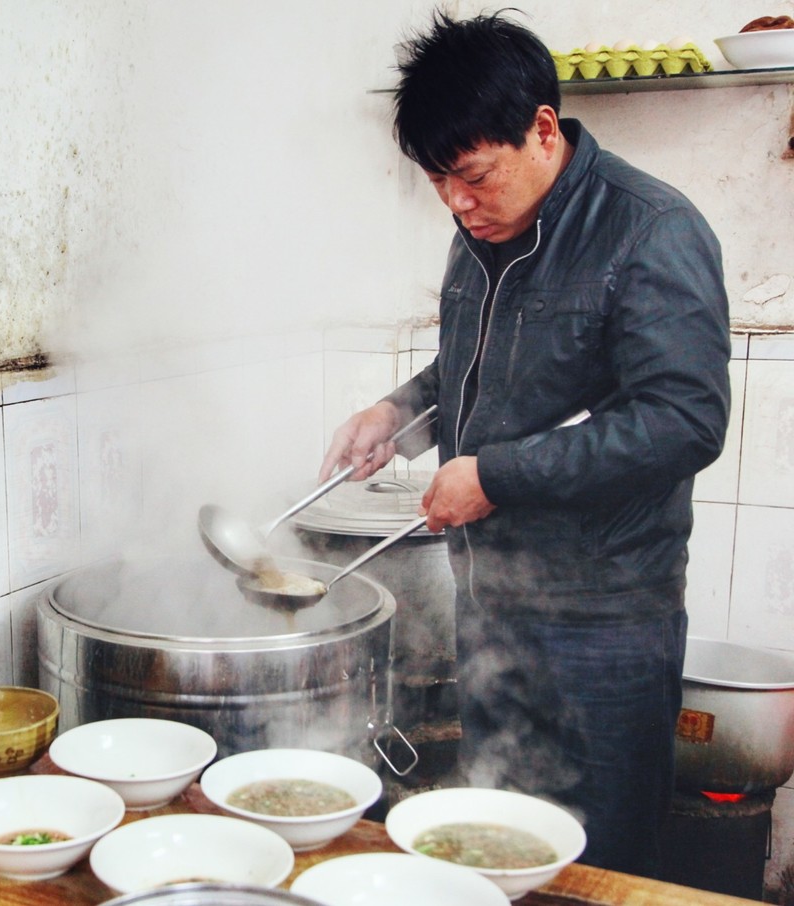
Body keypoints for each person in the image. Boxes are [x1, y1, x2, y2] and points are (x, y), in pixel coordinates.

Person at [318, 10, 731, 878]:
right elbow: (465, 374)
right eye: (438, 182)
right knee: (498, 849)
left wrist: (496, 476)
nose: (457, 203)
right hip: (491, 608)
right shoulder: (482, 234)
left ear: (543, 129)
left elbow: (684, 420)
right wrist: (397, 415)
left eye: (471, 176)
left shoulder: (651, 229)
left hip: (607, 625)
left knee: (598, 869)